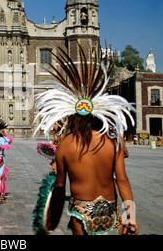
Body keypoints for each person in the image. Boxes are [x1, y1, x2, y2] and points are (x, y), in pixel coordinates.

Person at [33, 43, 139, 235]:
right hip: (108, 211)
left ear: (72, 117)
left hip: (80, 211)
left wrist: (53, 216)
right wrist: (130, 217)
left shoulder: (65, 144)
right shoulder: (112, 142)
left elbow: (59, 185)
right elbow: (122, 181)